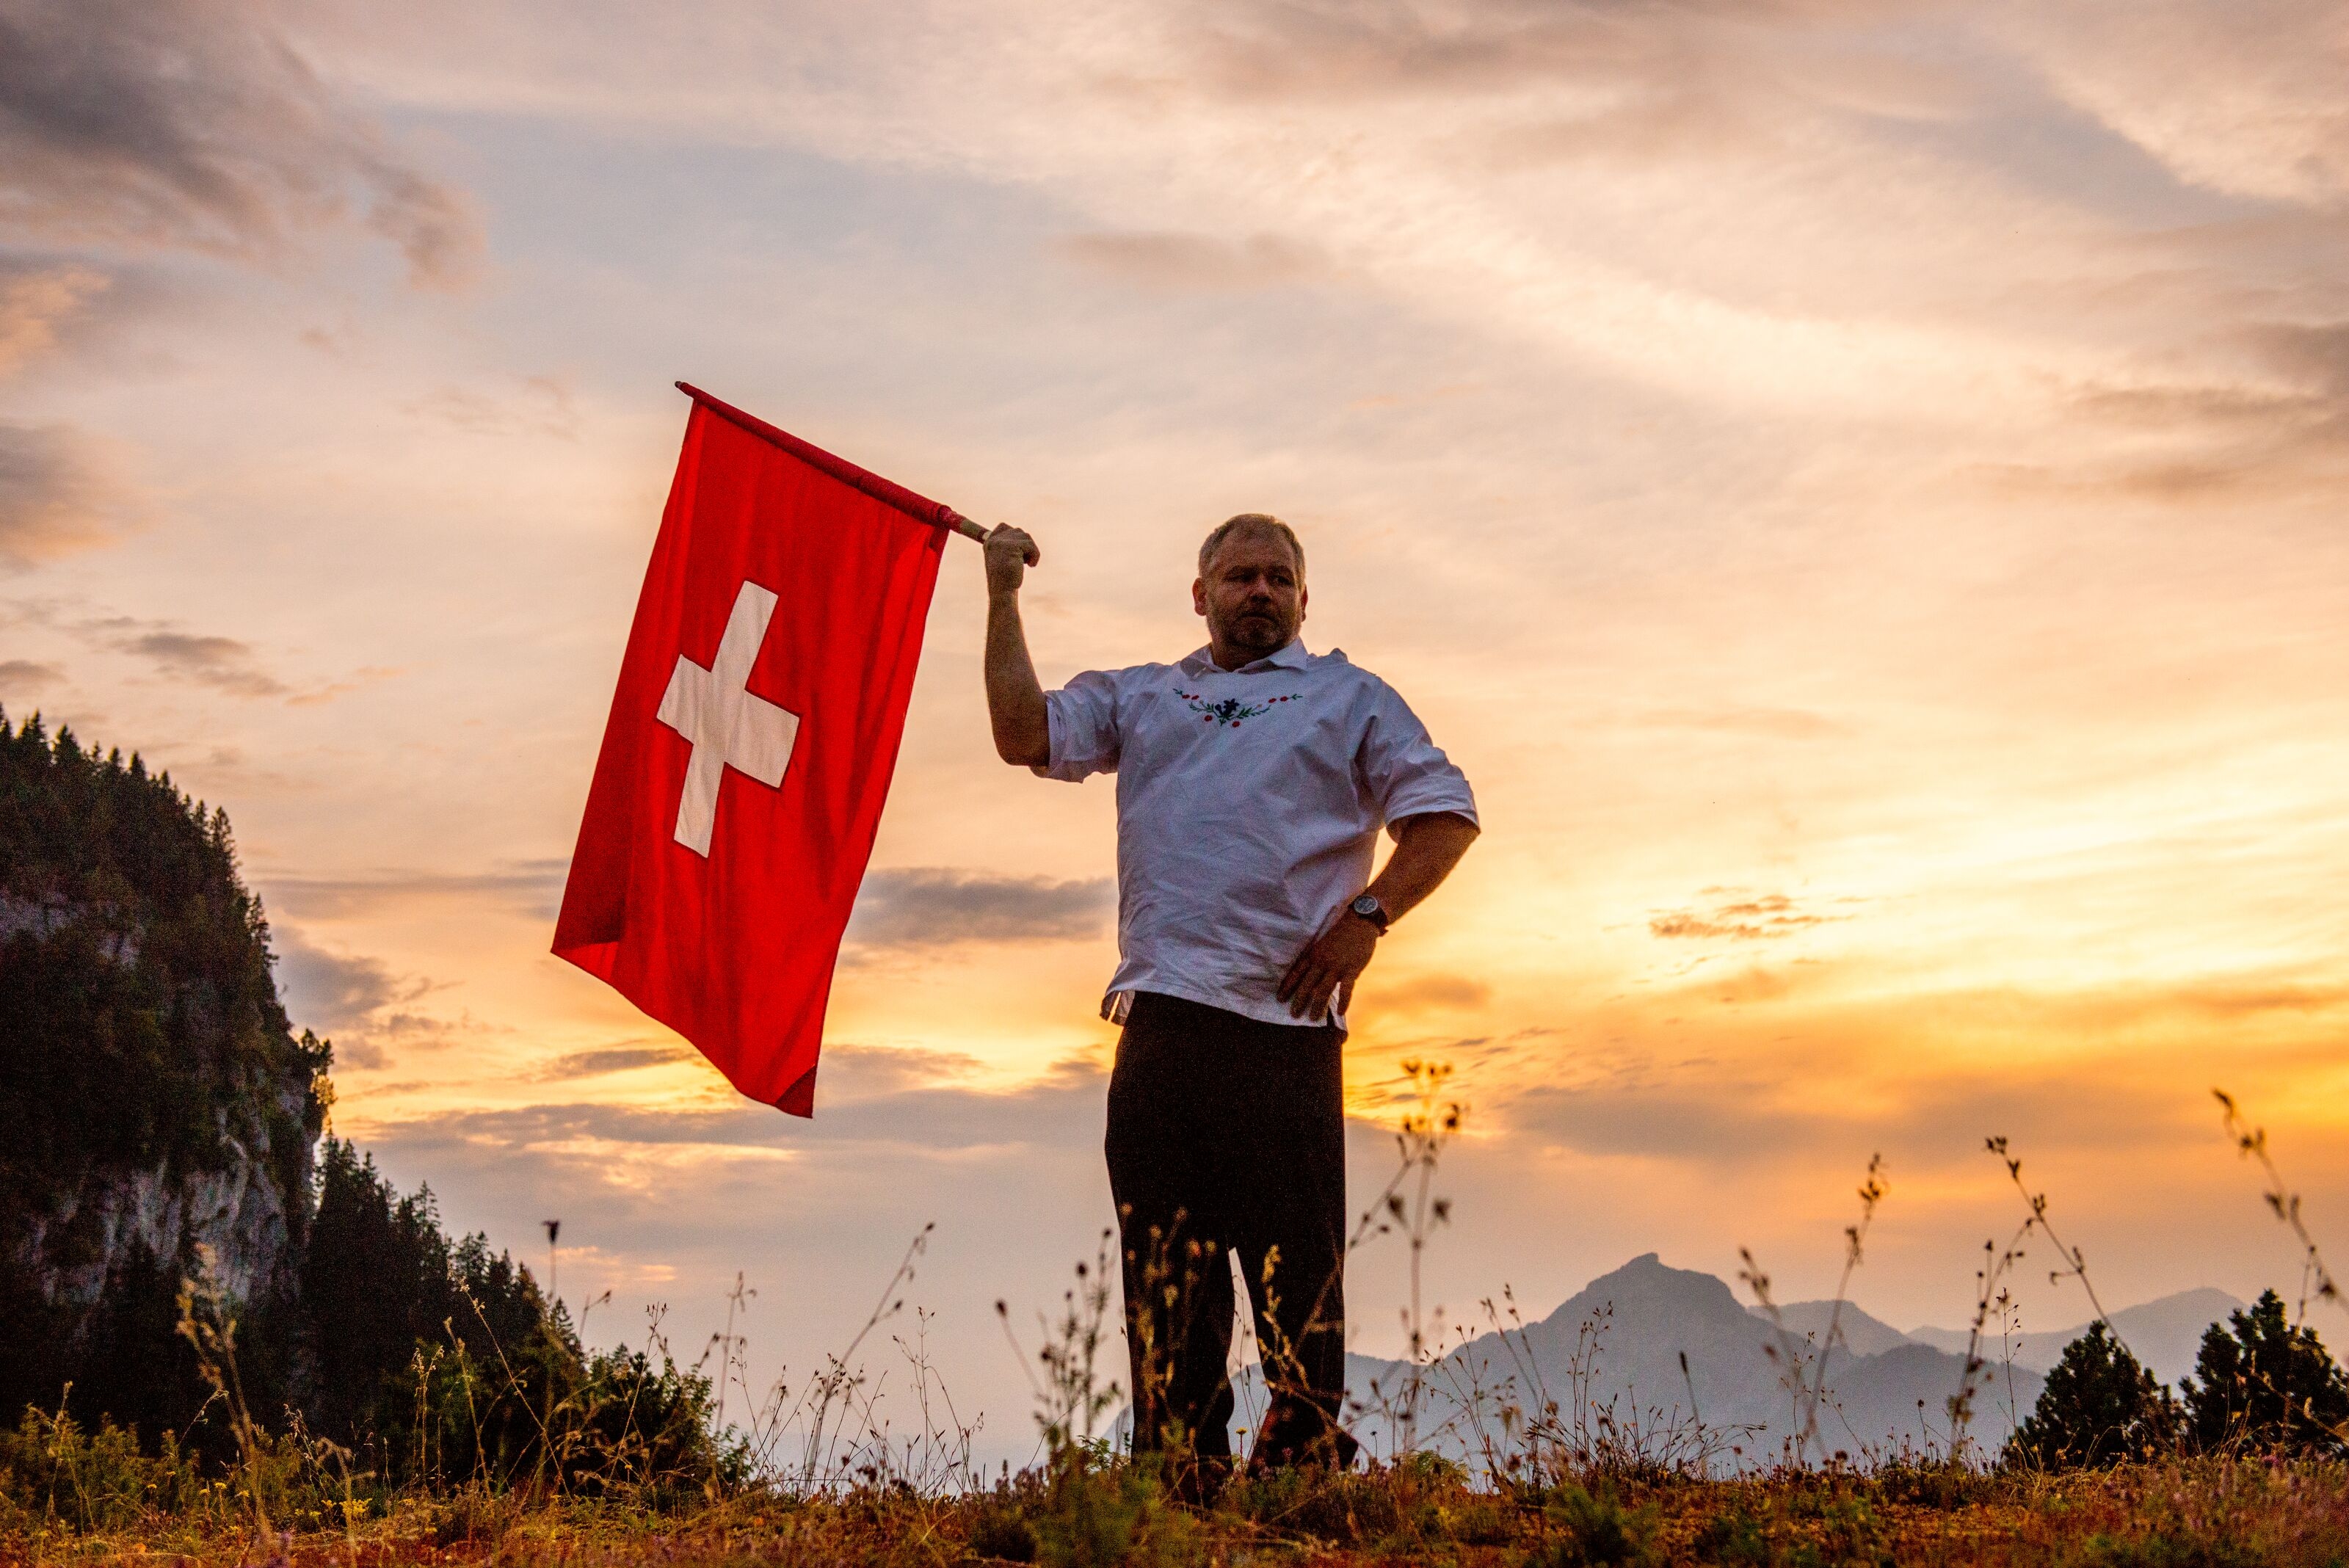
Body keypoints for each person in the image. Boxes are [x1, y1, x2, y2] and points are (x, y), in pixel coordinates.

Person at [981, 512, 1479, 1484]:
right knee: (1168, 1277)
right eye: (1241, 576)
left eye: (1278, 578)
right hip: (1163, 1017)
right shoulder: (1144, 696)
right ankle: (1178, 1477)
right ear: (1200, 593)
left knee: (1299, 1275)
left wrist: (1369, 915)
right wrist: (1001, 596)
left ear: (1303, 599)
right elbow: (1022, 731)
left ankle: (1300, 1475)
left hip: (1286, 1028)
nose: (1261, 591)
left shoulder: (1349, 698)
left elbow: (1446, 816)